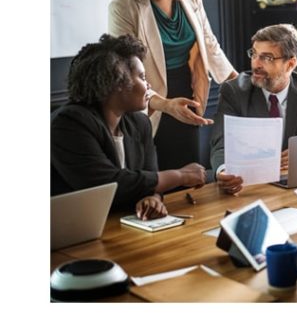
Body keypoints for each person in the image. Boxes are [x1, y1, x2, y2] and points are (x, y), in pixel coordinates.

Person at [108, 0, 237, 170]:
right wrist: (165, 104)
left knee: (187, 170)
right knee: (154, 175)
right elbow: (124, 74)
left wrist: (236, 82)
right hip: (147, 97)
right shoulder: (124, 7)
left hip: (187, 92)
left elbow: (208, 40)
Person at [51, 35, 206, 219]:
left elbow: (149, 178)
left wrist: (152, 198)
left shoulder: (139, 123)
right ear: (117, 81)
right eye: (141, 76)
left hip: (123, 225)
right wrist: (180, 176)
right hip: (74, 230)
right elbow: (109, 185)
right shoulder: (69, 123)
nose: (148, 85)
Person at [210, 23, 297, 194]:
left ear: (290, 64)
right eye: (254, 54)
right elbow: (221, 144)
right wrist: (223, 171)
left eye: (267, 58)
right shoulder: (234, 91)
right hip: (252, 188)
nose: (256, 64)